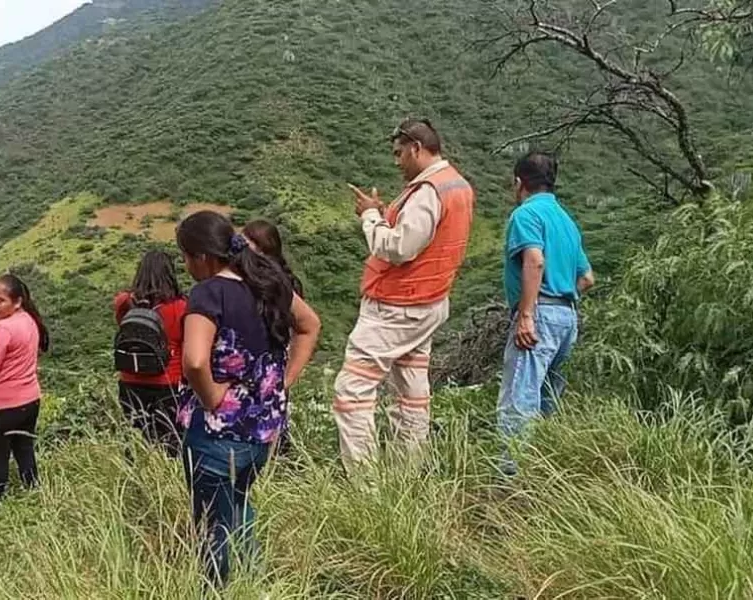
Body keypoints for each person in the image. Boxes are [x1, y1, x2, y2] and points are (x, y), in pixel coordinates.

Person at [175, 211, 321, 586]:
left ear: (203, 257)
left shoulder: (208, 293)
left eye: (186, 256)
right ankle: (253, 581)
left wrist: (210, 397)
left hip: (217, 435)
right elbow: (310, 325)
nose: (187, 265)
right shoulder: (267, 281)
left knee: (213, 524)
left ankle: (221, 589)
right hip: (262, 430)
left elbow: (194, 360)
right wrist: (284, 380)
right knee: (236, 506)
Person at [334, 118, 474, 469]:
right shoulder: (456, 185)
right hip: (429, 303)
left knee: (352, 391)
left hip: (397, 307)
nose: (397, 162)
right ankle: (408, 472)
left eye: (400, 154)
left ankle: (366, 489)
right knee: (412, 392)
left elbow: (398, 247)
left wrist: (369, 217)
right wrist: (384, 213)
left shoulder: (428, 191)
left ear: (416, 148)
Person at [497, 152, 594, 477]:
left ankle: (513, 481)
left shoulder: (526, 214)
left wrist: (528, 313)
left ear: (518, 183)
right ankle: (545, 471)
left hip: (539, 315)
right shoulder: (566, 220)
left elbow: (534, 260)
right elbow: (587, 278)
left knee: (519, 399)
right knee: (547, 399)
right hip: (567, 317)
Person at [0, 274, 47, 501]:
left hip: (2, 406)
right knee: (25, 450)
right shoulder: (29, 320)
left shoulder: (1, 329)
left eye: (0, 300)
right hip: (29, 400)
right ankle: (34, 493)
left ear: (17, 302)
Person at [113, 250, 187, 457]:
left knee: (135, 437)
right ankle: (166, 480)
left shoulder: (124, 302)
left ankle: (135, 477)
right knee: (170, 439)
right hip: (167, 381)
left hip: (130, 379)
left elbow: (124, 327)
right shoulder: (180, 307)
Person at [242, 220, 302, 457]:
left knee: (267, 423)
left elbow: (303, 326)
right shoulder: (284, 280)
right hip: (275, 360)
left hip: (271, 359)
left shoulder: (277, 284)